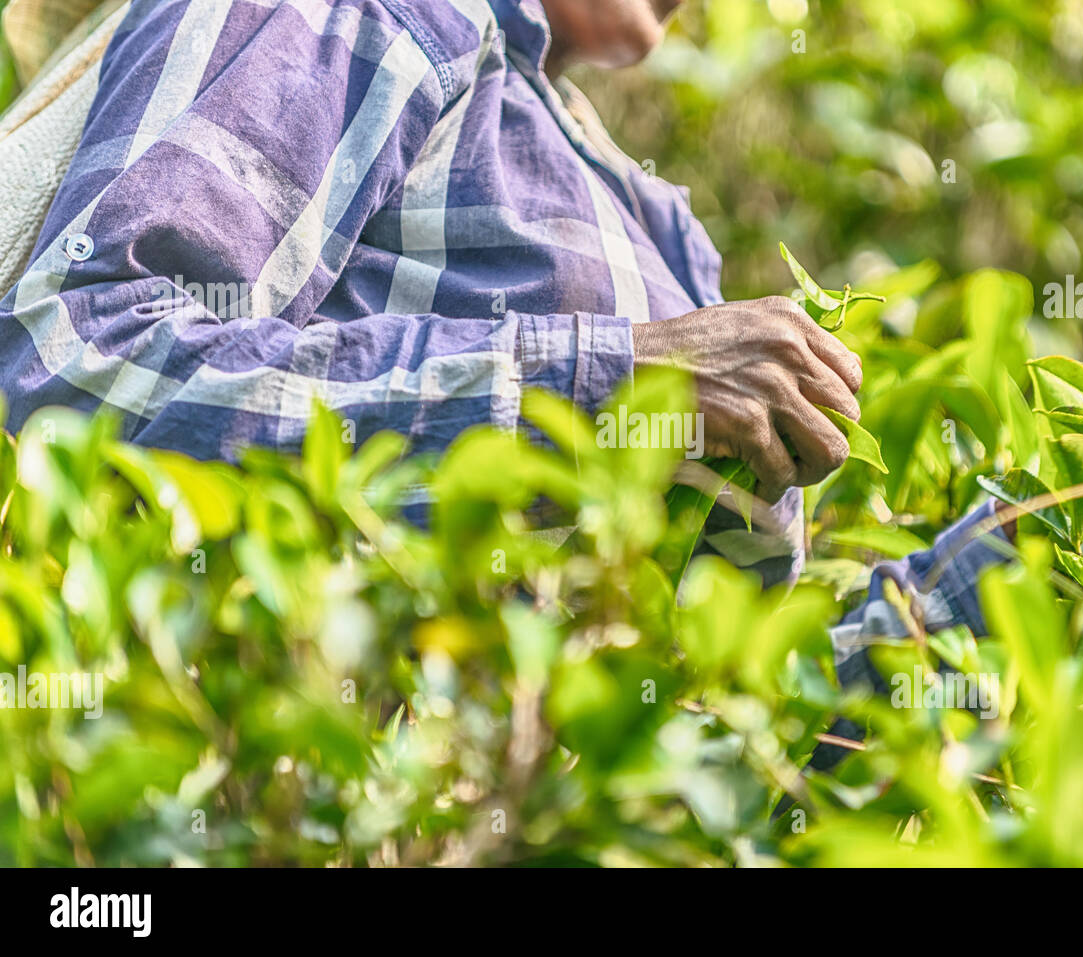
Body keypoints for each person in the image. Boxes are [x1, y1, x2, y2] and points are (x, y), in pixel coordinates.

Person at [0, 0, 1011, 753]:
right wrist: (612, 378)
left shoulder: (655, 223)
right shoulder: (375, 13)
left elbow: (661, 761)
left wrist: (971, 600)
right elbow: (85, 367)